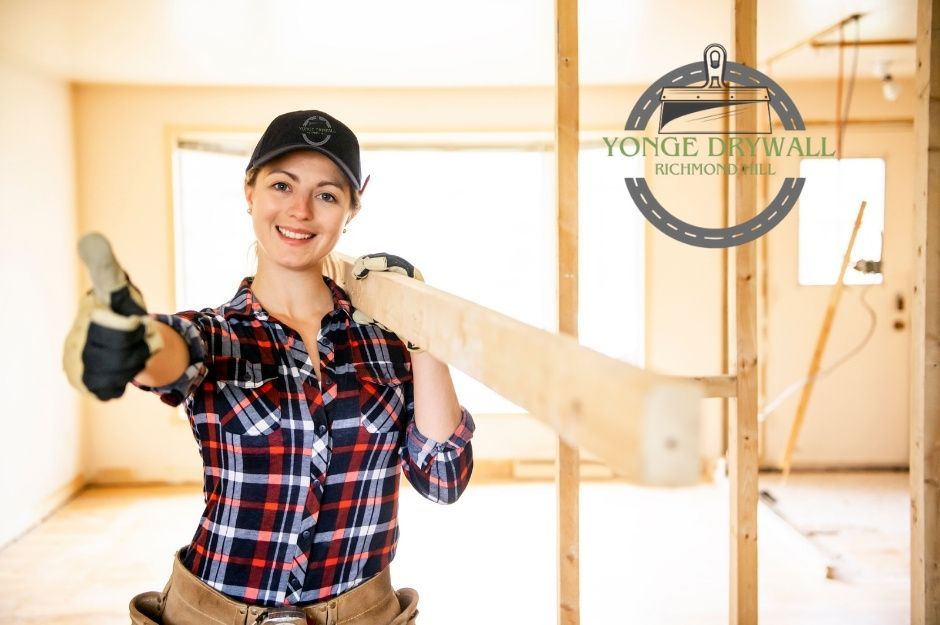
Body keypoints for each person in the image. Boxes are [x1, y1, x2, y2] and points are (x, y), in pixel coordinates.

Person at [66, 110, 475, 625]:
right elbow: (170, 353)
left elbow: (443, 480)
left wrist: (423, 325)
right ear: (250, 191)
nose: (300, 210)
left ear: (352, 207)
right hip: (215, 612)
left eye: (327, 195)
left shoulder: (387, 343)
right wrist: (136, 343)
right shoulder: (217, 334)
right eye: (282, 185)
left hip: (363, 614)